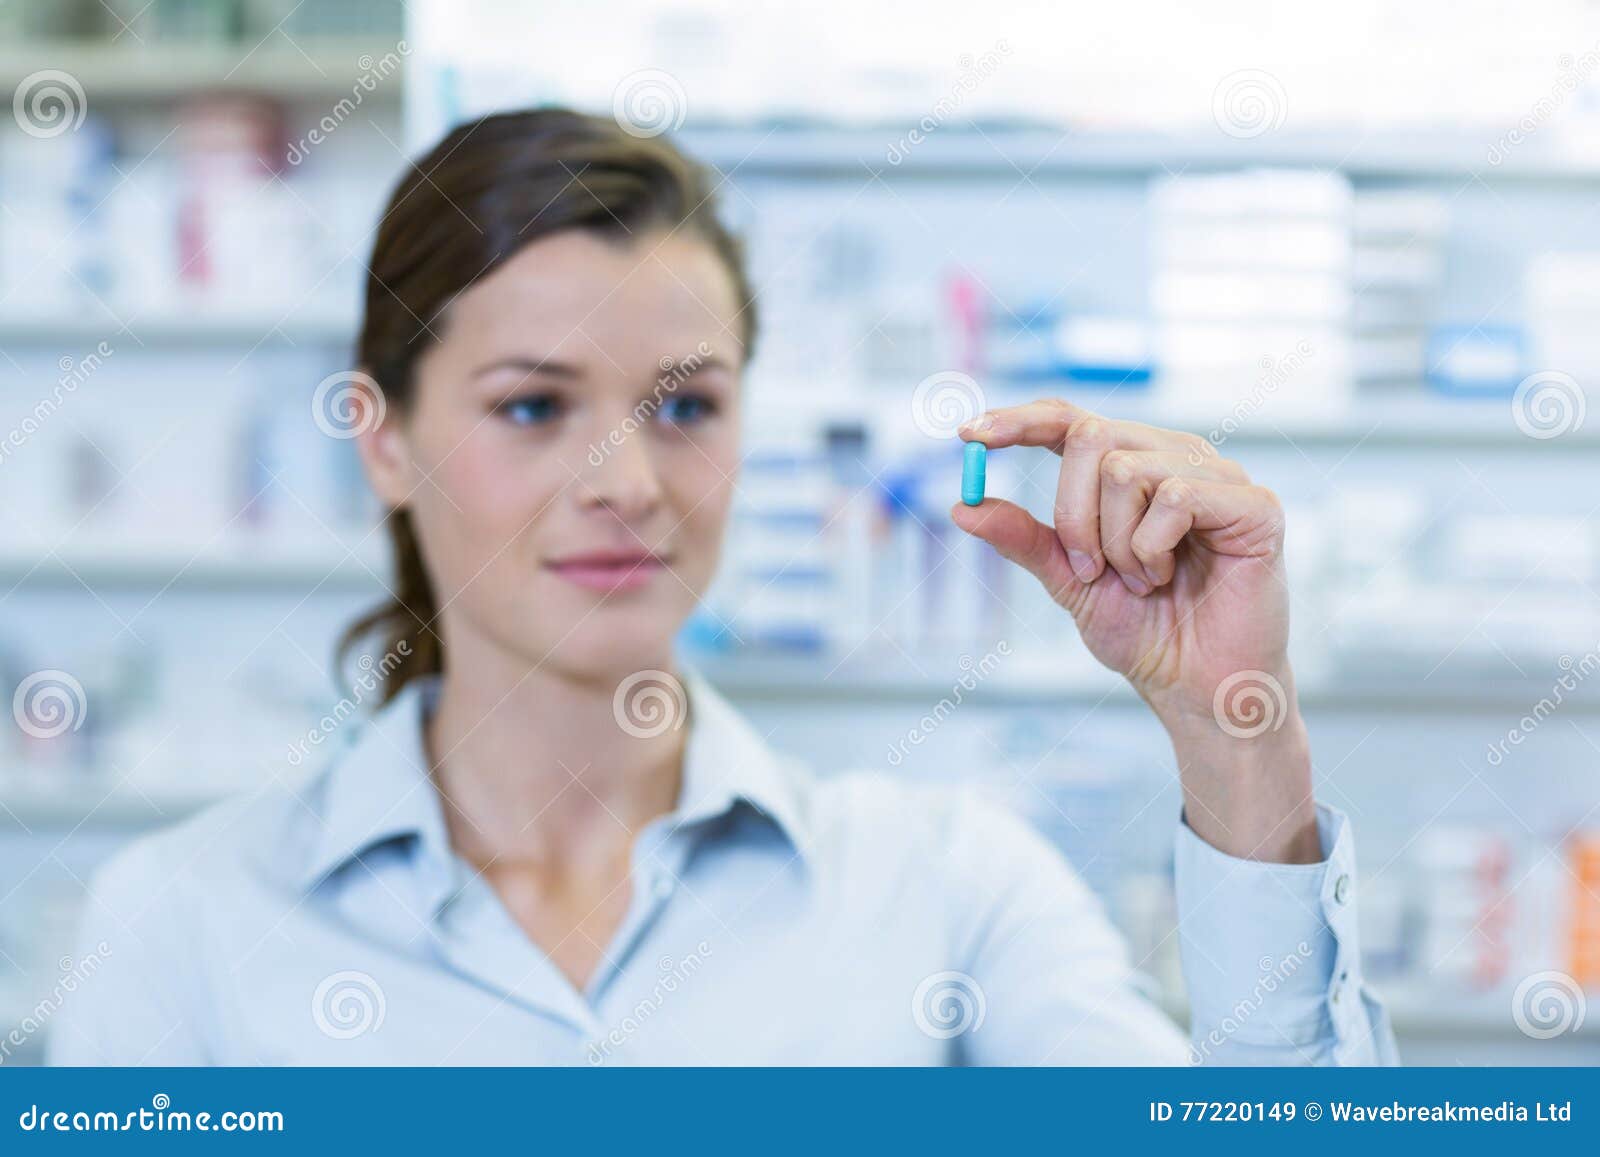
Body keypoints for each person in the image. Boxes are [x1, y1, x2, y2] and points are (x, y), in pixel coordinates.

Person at [49, 108, 1396, 1066]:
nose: (629, 482)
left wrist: (1236, 730)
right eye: (533, 407)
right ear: (385, 440)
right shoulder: (185, 923)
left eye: (686, 405)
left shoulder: (944, 891)